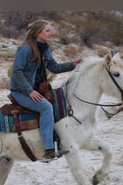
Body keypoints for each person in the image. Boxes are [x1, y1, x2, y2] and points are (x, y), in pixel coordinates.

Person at [10, 19, 81, 161]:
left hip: (38, 88)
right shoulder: (25, 49)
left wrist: (72, 64)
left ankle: (60, 141)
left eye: (50, 30)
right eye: (47, 30)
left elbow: (53, 68)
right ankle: (48, 149)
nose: (51, 33)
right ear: (37, 33)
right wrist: (29, 91)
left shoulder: (45, 49)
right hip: (21, 91)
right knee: (46, 107)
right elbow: (16, 72)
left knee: (59, 103)